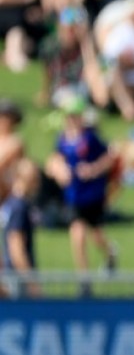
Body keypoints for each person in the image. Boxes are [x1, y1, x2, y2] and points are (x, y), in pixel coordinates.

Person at [45, 96, 117, 297]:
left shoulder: (91, 138)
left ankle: (110, 253)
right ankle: (84, 280)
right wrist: (59, 170)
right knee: (77, 234)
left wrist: (93, 169)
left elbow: (109, 157)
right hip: (73, 196)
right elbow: (56, 159)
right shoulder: (62, 139)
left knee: (97, 235)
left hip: (92, 195)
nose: (72, 120)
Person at [1, 158, 40, 298]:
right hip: (18, 279)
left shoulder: (9, 203)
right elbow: (16, 247)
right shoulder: (20, 207)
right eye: (35, 180)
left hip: (10, 274)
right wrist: (32, 283)